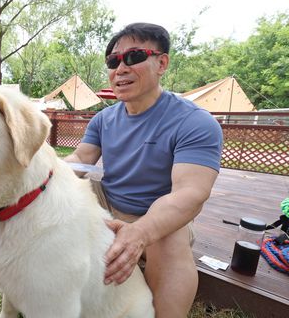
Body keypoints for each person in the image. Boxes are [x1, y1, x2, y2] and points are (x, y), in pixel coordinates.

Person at [65, 23, 223, 318]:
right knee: (67, 194)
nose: (120, 68)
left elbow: (192, 192)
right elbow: (80, 158)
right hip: (109, 202)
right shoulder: (103, 119)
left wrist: (140, 232)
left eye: (134, 56)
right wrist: (42, 178)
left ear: (162, 62)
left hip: (156, 214)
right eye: (113, 61)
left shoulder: (195, 122)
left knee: (169, 236)